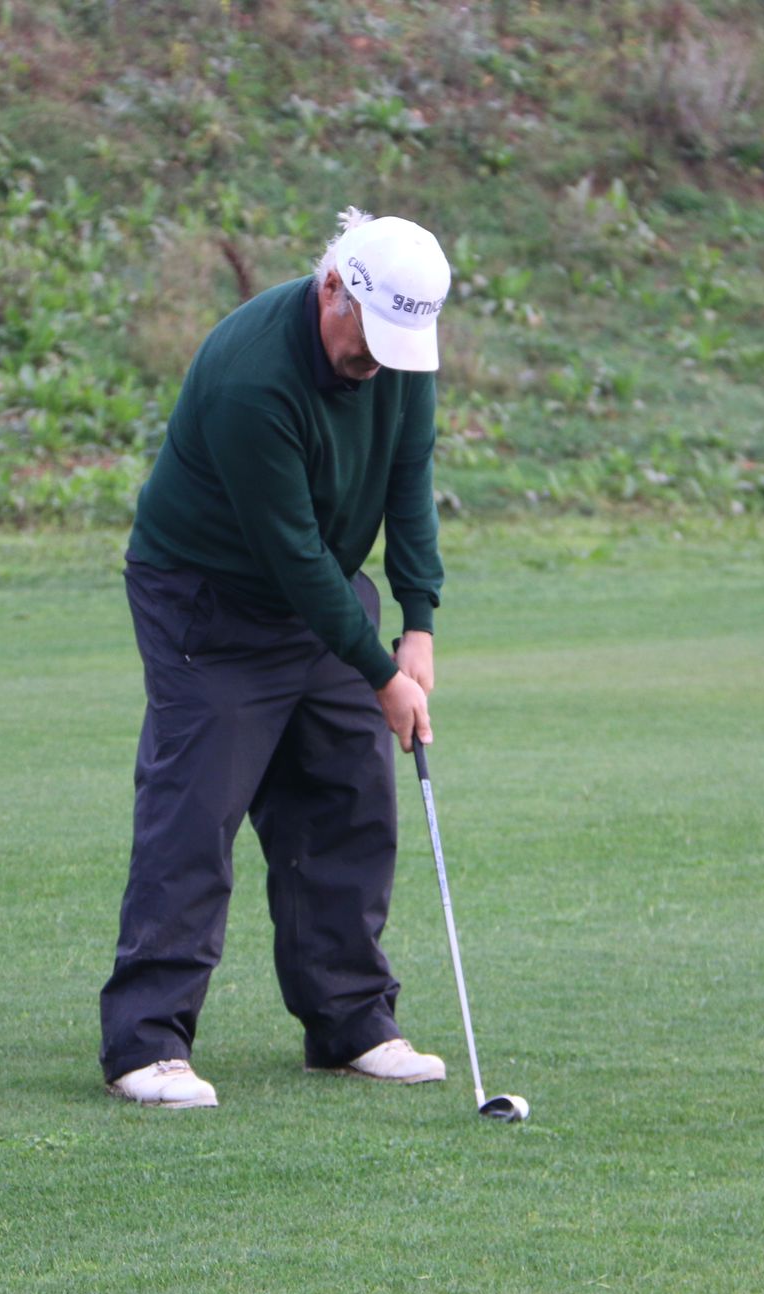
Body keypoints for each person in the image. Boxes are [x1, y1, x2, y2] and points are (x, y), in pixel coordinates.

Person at [99, 209, 453, 1108]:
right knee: (197, 810)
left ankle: (351, 1022)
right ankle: (147, 1042)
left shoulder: (399, 355)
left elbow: (409, 478)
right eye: (366, 339)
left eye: (394, 348)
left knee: (349, 801)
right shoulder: (253, 373)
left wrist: (418, 623)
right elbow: (289, 551)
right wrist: (380, 674)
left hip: (323, 593)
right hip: (208, 596)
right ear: (333, 288)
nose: (375, 362)